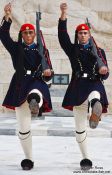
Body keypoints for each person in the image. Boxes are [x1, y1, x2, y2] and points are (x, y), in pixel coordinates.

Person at [0, 3, 53, 170]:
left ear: (34, 34)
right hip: (20, 83)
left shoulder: (42, 50)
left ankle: (34, 102)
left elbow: (50, 71)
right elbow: (3, 36)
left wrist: (48, 73)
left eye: (31, 32)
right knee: (23, 128)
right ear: (22, 34)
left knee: (35, 92)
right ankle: (28, 159)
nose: (29, 34)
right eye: (26, 32)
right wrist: (7, 16)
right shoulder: (16, 48)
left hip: (36, 82)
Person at [58, 3, 109, 170]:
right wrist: (63, 14)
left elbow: (106, 75)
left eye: (85, 32)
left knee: (95, 94)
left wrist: (103, 70)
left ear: (89, 34)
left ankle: (95, 109)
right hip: (78, 86)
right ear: (77, 35)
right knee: (79, 128)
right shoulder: (73, 50)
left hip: (94, 83)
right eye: (80, 33)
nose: (83, 35)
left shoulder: (99, 51)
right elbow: (62, 36)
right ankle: (85, 158)